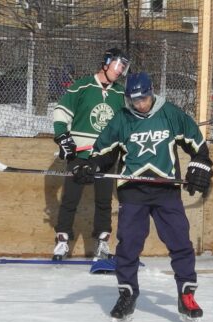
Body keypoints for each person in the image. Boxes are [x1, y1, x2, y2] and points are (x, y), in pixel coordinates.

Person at [72, 72, 212, 322]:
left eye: (144, 99)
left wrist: (200, 166)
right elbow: (104, 152)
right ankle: (127, 293)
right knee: (128, 245)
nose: (140, 104)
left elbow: (198, 146)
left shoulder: (170, 113)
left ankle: (186, 294)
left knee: (180, 241)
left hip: (166, 189)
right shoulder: (122, 119)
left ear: (152, 92)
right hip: (133, 190)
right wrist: (90, 165)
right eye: (134, 100)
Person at [50, 48, 130, 261]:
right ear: (106, 63)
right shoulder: (82, 86)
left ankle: (102, 243)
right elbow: (61, 112)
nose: (120, 70)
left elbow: (128, 123)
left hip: (105, 156)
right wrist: (62, 137)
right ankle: (62, 241)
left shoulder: (121, 94)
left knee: (104, 201)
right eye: (118, 64)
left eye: (123, 67)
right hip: (80, 155)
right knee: (70, 199)